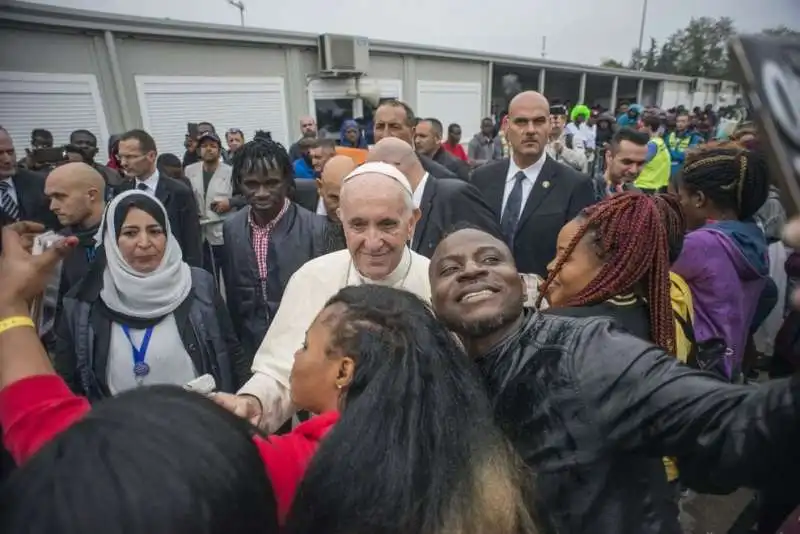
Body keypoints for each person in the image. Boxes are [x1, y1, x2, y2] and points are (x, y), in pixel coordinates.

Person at [429, 226, 800, 534]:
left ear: (521, 281)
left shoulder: (583, 351)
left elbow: (726, 423)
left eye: (491, 259)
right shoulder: (446, 383)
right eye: (448, 269)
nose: (471, 271)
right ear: (434, 302)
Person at [284, 285, 539, 534]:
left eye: (305, 345)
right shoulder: (479, 461)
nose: (295, 355)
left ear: (343, 371)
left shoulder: (289, 459)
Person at [216, 162, 432, 432]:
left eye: (387, 224)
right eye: (358, 225)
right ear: (341, 220)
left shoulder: (436, 282)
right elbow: (281, 372)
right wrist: (253, 402)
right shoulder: (313, 278)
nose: (373, 241)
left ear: (411, 221)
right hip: (334, 448)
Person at [53, 191, 248, 401]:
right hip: (117, 429)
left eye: (155, 231)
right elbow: (68, 383)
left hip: (197, 425)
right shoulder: (83, 301)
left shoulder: (199, 285)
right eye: (130, 233)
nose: (144, 243)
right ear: (111, 239)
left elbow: (231, 352)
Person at [221, 138, 326, 363]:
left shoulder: (316, 228)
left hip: (303, 349)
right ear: (239, 183)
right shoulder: (231, 229)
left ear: (287, 181)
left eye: (271, 183)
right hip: (252, 349)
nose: (261, 193)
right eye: (251, 184)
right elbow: (233, 295)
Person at [672, 144, 772, 380]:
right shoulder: (752, 237)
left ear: (699, 199)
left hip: (695, 368)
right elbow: (770, 293)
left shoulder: (702, 244)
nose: (679, 205)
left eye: (681, 197)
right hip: (728, 364)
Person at [470, 91, 595, 278]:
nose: (530, 130)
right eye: (521, 122)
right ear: (506, 126)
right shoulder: (482, 178)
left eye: (538, 121)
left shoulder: (575, 185)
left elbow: (578, 257)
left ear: (548, 127)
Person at [538, 192, 674, 353]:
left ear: (610, 265)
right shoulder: (652, 319)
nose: (550, 266)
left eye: (564, 257)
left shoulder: (558, 327)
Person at [367, 137, 501, 258]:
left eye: (371, 175)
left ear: (391, 168)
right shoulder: (404, 207)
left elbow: (491, 253)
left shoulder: (455, 196)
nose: (371, 186)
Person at [116, 129, 203, 268]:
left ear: (151, 156)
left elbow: (192, 241)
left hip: (173, 267)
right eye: (120, 157)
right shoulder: (121, 192)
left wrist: (192, 275)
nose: (124, 163)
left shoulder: (179, 192)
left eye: (131, 157)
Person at [184, 131, 234, 283]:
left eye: (213, 146)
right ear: (199, 150)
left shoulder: (230, 171)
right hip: (200, 235)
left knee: (230, 278)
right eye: (204, 146)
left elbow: (242, 197)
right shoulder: (189, 170)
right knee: (207, 279)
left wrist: (229, 203)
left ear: (219, 150)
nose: (209, 149)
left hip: (222, 233)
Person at [0, 127, 59, 253]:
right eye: (0, 153)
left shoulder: (40, 182)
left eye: (10, 152)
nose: (7, 160)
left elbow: (59, 225)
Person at [372, 99, 457, 178]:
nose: (385, 134)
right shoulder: (362, 173)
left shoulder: (439, 176)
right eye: (380, 126)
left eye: (394, 127)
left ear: (412, 132)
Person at [593, 128, 647, 200]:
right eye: (627, 162)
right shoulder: (589, 192)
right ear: (609, 157)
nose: (634, 170)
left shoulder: (638, 196)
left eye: (640, 164)